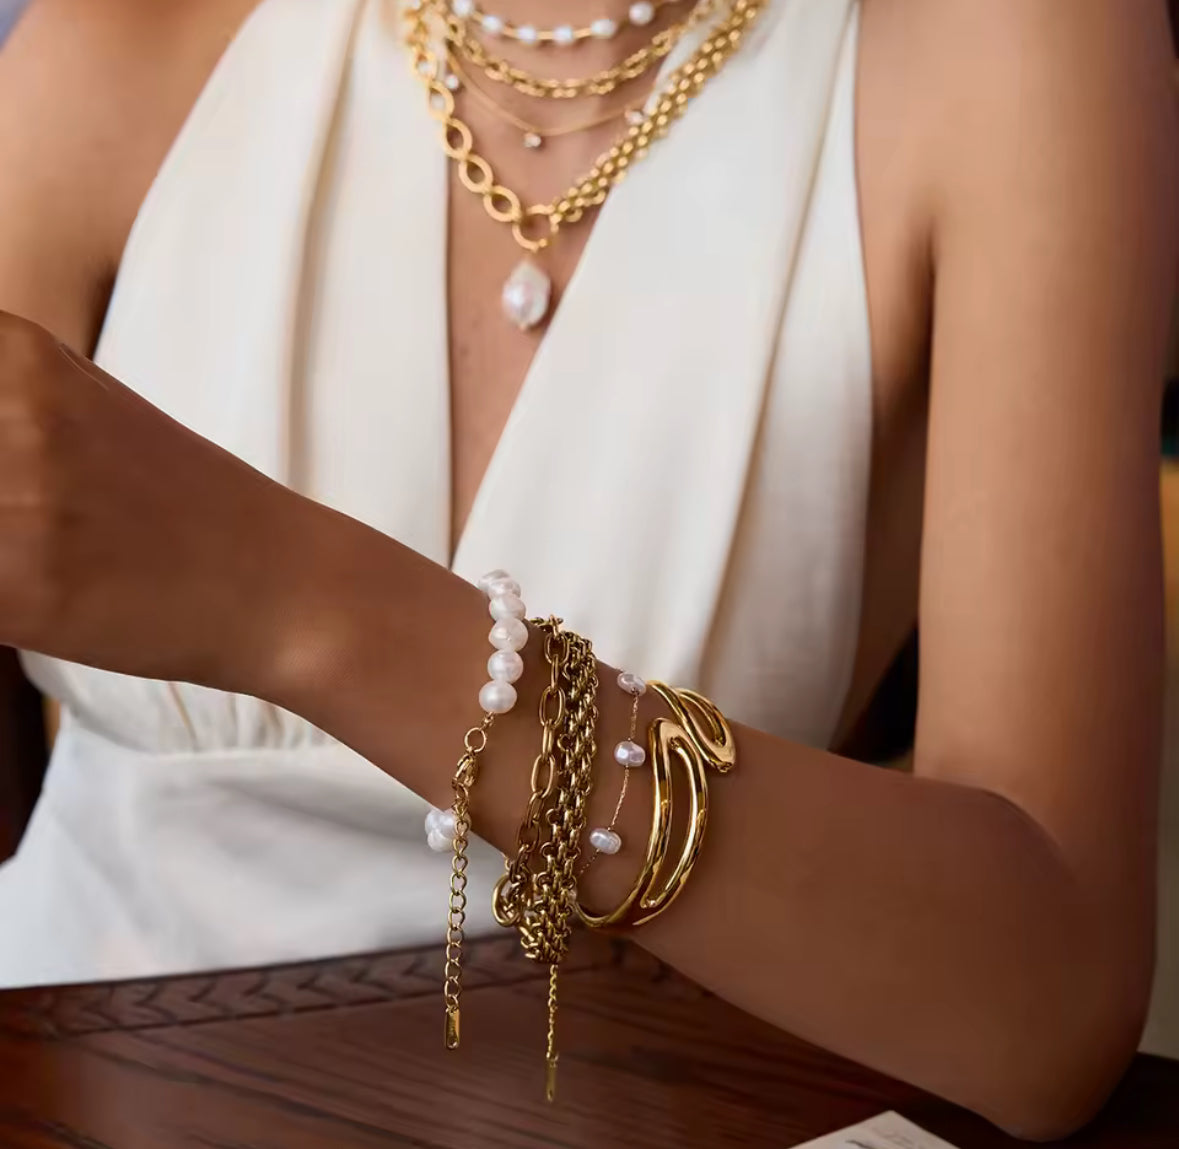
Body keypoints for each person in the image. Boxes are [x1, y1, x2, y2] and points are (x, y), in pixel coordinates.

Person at [0, 0, 1174, 1137]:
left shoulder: (1006, 40)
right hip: (62, 1074)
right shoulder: (120, 38)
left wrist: (295, 604)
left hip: (643, 1101)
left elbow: (1049, 1005)